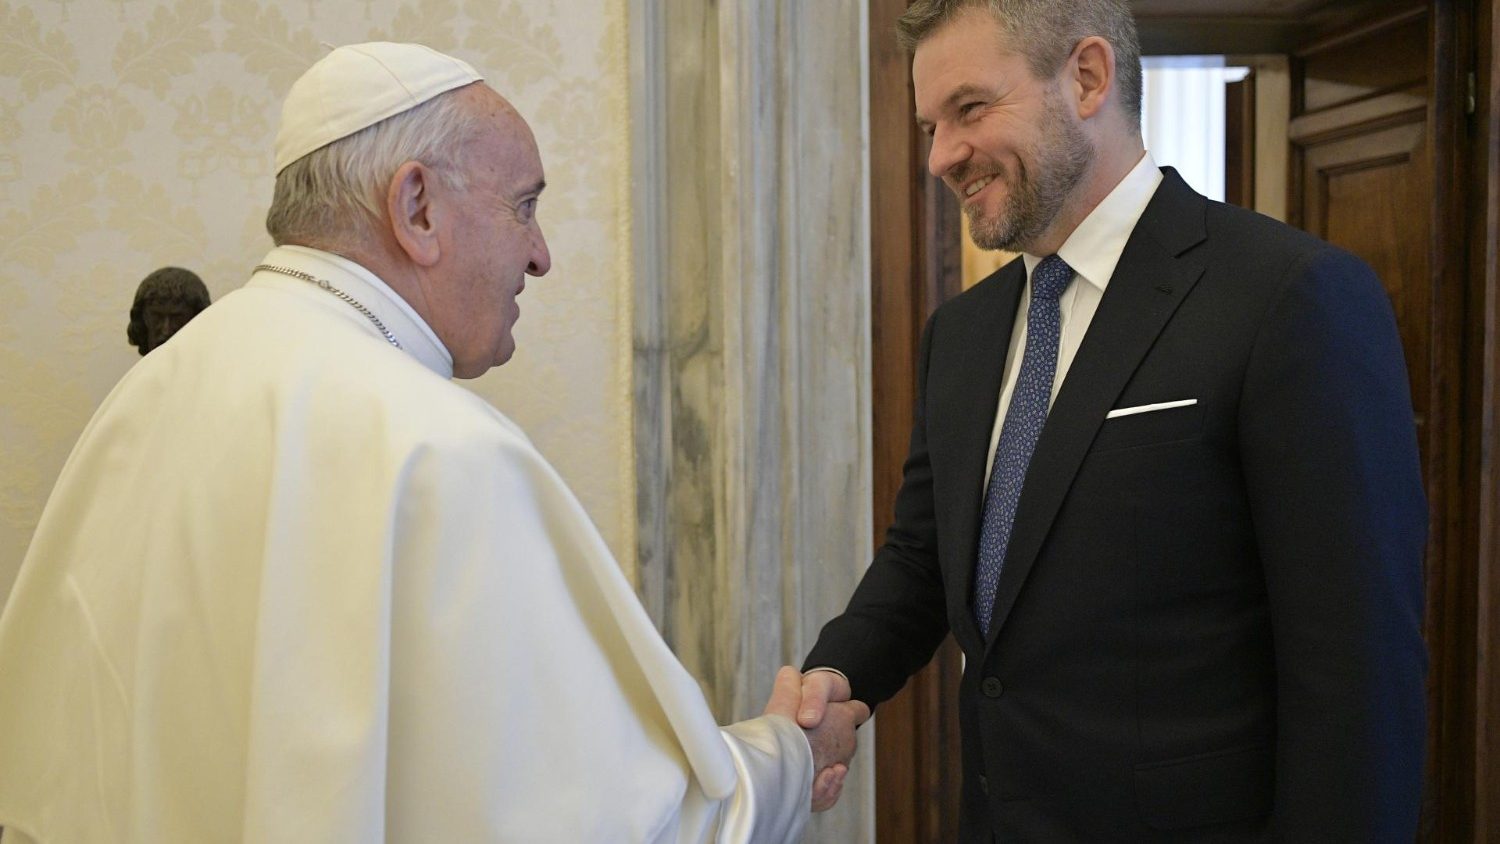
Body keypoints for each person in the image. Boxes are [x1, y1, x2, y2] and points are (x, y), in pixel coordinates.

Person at [0, 42, 866, 843]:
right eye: (524, 207)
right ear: (415, 206)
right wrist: (794, 752)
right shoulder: (436, 450)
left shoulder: (151, 390)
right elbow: (643, 829)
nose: (541, 256)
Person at [796, 1, 1427, 840]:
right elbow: (924, 559)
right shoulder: (964, 332)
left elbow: (1360, 680)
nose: (942, 155)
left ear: (1087, 77)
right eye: (929, 126)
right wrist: (838, 681)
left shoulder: (1289, 298)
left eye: (970, 110)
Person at [126, 265, 211, 355]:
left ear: (197, 317)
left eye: (177, 318)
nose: (166, 330)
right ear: (142, 318)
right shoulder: (141, 369)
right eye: (156, 317)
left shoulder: (221, 367)